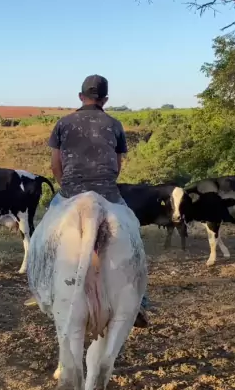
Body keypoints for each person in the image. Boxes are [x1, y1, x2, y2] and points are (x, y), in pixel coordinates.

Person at [26, 74, 151, 326]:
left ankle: (41, 285)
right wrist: (104, 184)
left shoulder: (63, 123)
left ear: (80, 96)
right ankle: (140, 301)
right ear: (105, 99)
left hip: (71, 192)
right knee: (133, 231)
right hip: (109, 194)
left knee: (43, 234)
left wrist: (66, 187)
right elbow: (117, 165)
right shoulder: (115, 124)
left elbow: (55, 164)